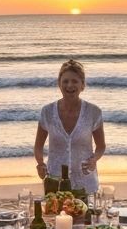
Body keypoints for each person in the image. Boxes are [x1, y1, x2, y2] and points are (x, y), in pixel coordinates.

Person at [34, 58, 106, 194]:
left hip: (85, 182)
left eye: (75, 81)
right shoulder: (47, 112)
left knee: (85, 215)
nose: (69, 85)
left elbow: (101, 146)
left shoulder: (94, 112)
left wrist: (94, 159)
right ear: (59, 84)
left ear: (82, 85)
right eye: (65, 81)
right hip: (55, 182)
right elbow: (38, 146)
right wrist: (40, 163)